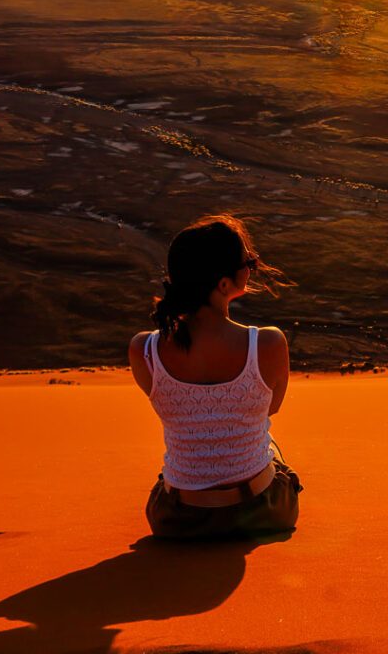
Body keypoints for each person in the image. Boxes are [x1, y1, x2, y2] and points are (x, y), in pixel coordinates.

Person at [128, 212, 303, 540]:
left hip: (176, 521)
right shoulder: (267, 343)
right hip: (262, 512)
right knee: (271, 446)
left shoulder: (144, 350)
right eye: (249, 262)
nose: (252, 268)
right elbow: (272, 408)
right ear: (223, 284)